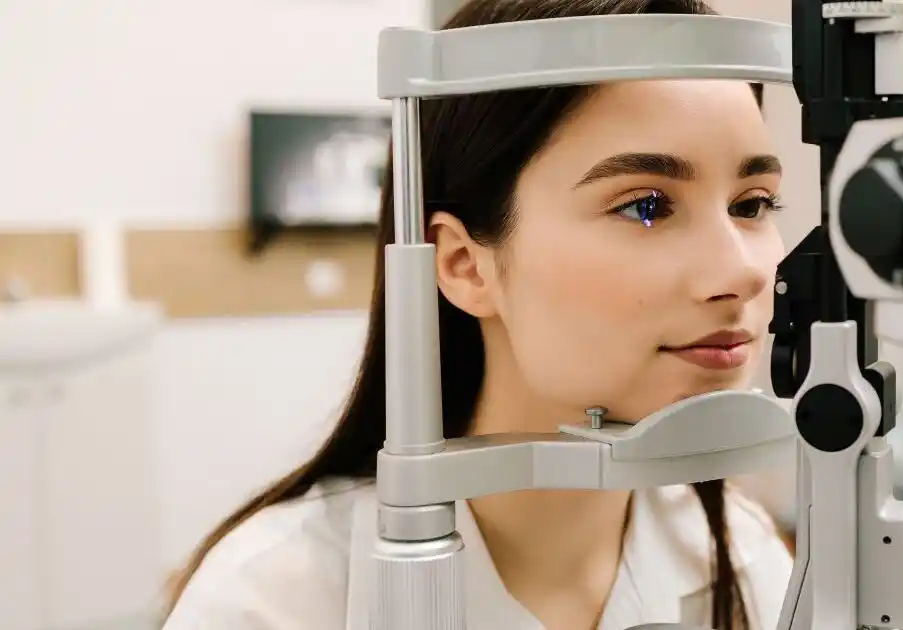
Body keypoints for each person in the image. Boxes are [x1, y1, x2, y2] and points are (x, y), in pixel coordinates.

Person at [160, 1, 796, 629]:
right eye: (647, 207)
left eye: (752, 204)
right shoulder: (274, 599)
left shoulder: (740, 557)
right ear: (464, 264)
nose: (740, 271)